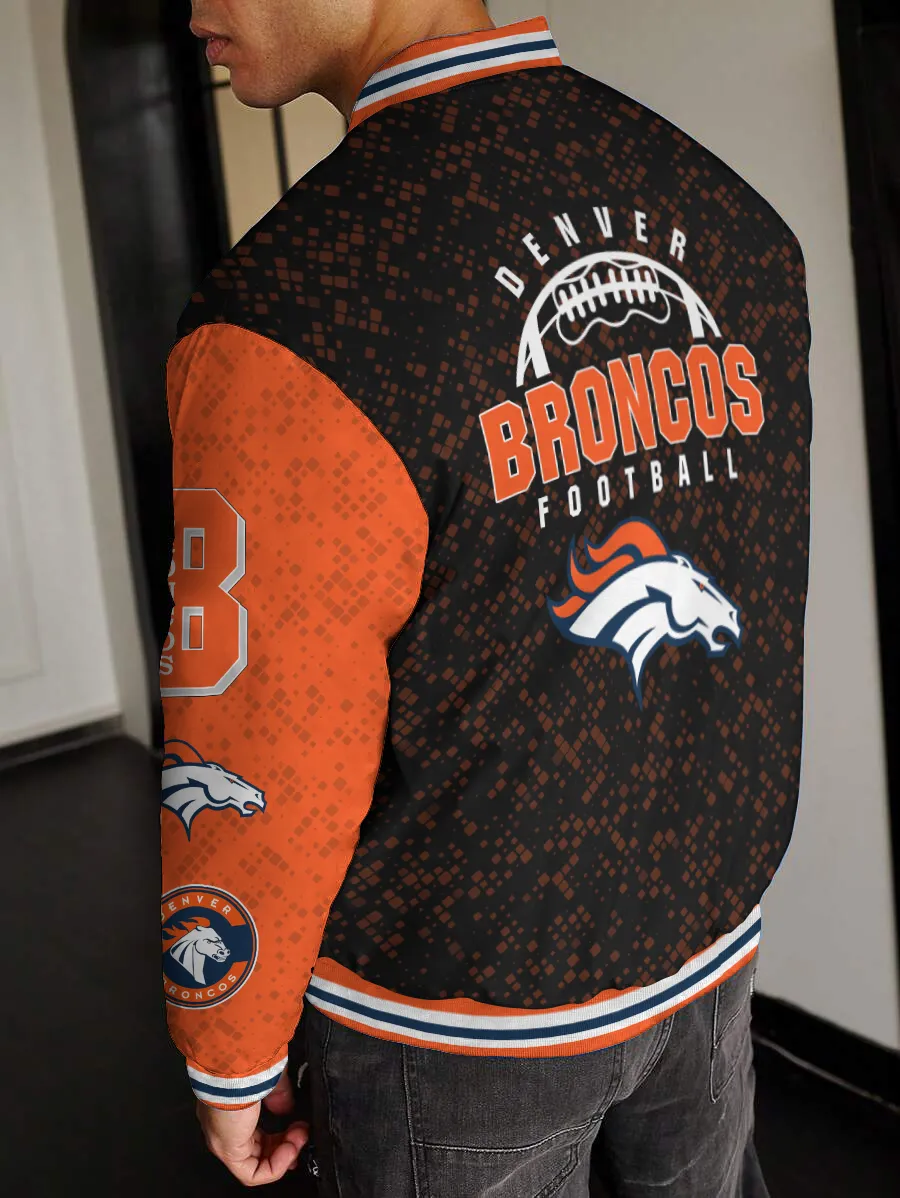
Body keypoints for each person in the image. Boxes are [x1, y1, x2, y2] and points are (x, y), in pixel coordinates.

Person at [158, 1, 812, 1193]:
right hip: (708, 949)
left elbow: (263, 736)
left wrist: (228, 1039)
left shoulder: (295, 313)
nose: (195, 7)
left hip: (454, 1031)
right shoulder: (730, 215)